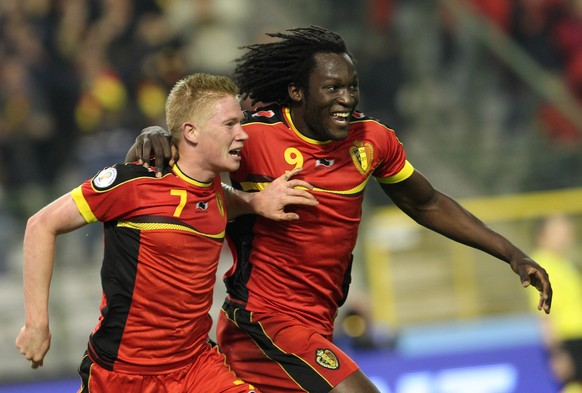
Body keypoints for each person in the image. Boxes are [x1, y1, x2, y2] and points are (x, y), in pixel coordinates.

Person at [128, 26, 553, 393]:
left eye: (352, 87)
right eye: (332, 88)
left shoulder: (372, 140)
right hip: (262, 322)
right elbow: (186, 164)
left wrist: (512, 254)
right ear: (297, 91)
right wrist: (154, 134)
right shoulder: (254, 137)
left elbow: (426, 201)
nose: (346, 99)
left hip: (318, 326)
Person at [15, 73, 319, 392]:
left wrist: (255, 202)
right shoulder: (132, 182)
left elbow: (209, 202)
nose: (242, 135)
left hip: (196, 368)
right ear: (191, 132)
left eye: (240, 123)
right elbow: (40, 225)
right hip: (121, 374)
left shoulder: (213, 187)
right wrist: (37, 323)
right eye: (230, 125)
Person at [529, 214, 582, 393]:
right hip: (567, 339)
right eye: (559, 228)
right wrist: (557, 352)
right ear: (543, 234)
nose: (567, 231)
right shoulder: (540, 265)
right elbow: (544, 314)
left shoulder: (563, 262)